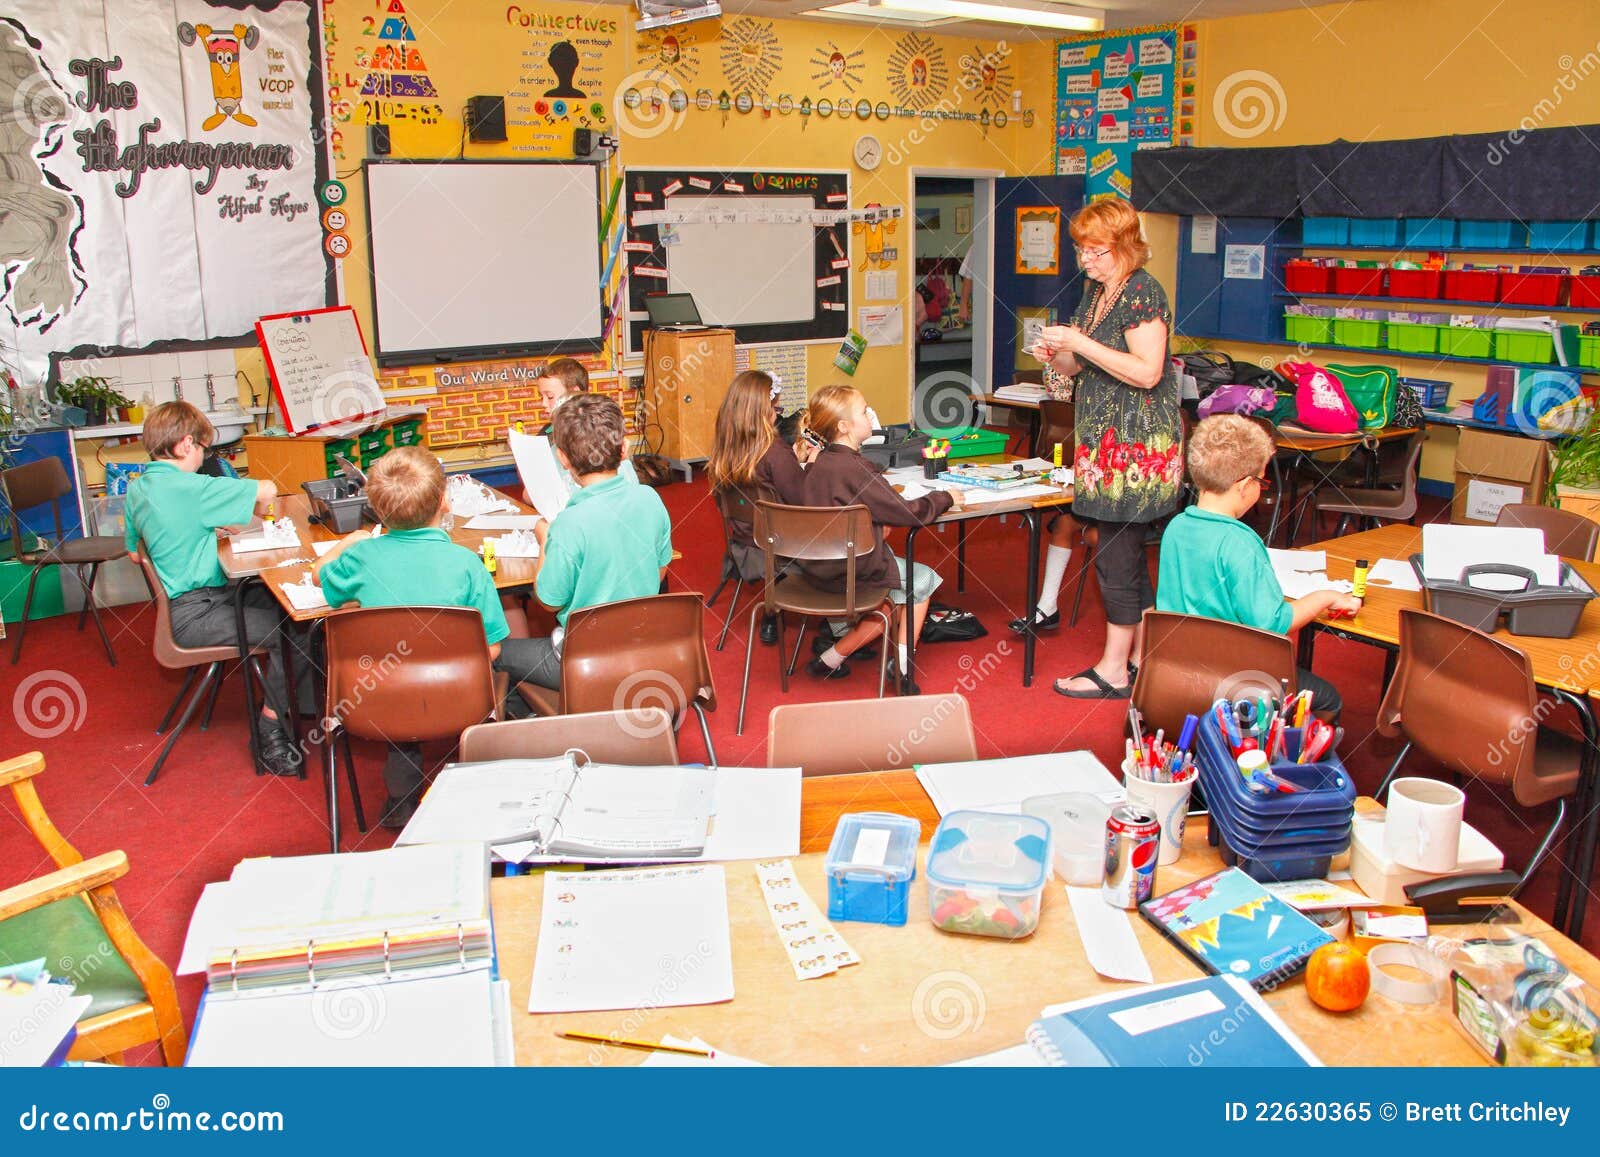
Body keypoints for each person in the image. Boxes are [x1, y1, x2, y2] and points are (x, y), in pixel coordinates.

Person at [1033, 198, 1184, 700]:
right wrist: (1058, 353)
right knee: (1126, 552)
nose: (1086, 261)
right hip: (1104, 445)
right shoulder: (1096, 292)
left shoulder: (1142, 291)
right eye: (1081, 250)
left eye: (1096, 251)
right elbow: (1078, 369)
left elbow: (1148, 371)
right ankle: (1145, 658)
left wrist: (1081, 342)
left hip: (1138, 450)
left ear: (1124, 246)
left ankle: (1114, 670)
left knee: (1115, 556)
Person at [312, 446, 511, 828]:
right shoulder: (467, 564)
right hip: (458, 694)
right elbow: (493, 647)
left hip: (376, 695)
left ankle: (400, 801)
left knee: (399, 684)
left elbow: (321, 577)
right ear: (445, 502)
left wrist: (349, 542)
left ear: (376, 508)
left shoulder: (361, 557)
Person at [124, 401, 304, 776]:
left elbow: (133, 552)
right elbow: (267, 490)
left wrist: (197, 532)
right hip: (197, 613)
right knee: (296, 627)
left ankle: (299, 700)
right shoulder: (192, 487)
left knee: (283, 602)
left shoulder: (139, 488)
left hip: (187, 603)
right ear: (186, 444)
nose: (204, 457)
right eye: (204, 449)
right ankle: (269, 729)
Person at [1157, 416, 1355, 718]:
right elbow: (1273, 624)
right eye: (1262, 481)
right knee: (1330, 699)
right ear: (1246, 485)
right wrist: (1325, 597)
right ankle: (1275, 756)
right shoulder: (1240, 542)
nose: (1261, 489)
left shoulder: (1176, 526)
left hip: (1180, 669)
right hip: (1233, 677)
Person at [508, 392, 673, 695]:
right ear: (624, 449)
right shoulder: (650, 499)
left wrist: (545, 540)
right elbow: (660, 568)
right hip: (643, 647)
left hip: (584, 660)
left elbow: (548, 601)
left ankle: (540, 726)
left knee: (496, 654)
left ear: (563, 458)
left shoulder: (568, 523)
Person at [800, 384, 961, 690]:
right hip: (851, 571)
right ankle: (901, 668)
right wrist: (945, 497)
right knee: (921, 581)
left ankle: (830, 659)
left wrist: (873, 523)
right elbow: (911, 513)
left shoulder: (817, 460)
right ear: (844, 426)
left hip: (815, 568)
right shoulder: (857, 468)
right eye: (864, 410)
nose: (870, 414)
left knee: (890, 600)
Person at [706, 370, 816, 646]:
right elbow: (803, 499)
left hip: (744, 544)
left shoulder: (725, 449)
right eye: (775, 408)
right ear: (761, 412)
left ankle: (773, 610)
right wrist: (811, 464)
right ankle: (833, 629)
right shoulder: (774, 452)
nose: (778, 415)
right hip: (780, 548)